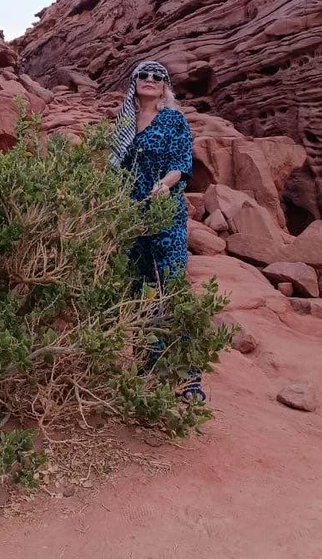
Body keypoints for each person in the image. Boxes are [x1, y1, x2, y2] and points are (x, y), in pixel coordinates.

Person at [110, 60, 202, 401]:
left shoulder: (174, 120)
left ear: (165, 86)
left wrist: (165, 185)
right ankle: (146, 364)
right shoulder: (123, 122)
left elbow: (181, 163)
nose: (150, 80)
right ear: (134, 82)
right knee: (133, 286)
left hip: (164, 214)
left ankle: (186, 376)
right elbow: (112, 166)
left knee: (170, 285)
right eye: (143, 76)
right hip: (130, 216)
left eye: (157, 77)